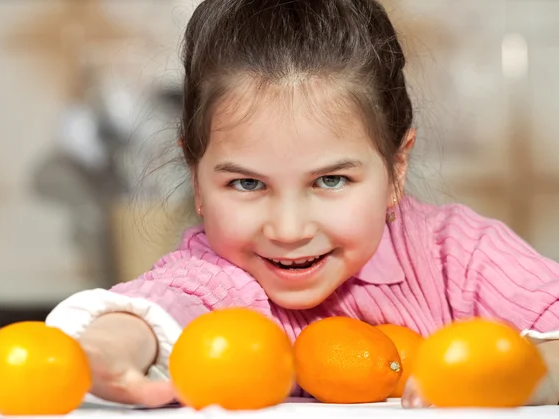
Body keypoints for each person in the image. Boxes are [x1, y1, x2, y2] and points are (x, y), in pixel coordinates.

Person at [46, 0, 559, 409]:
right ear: (197, 181)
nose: (289, 230)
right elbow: (157, 315)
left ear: (396, 170)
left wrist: (515, 375)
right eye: (247, 184)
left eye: (331, 180)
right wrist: (110, 347)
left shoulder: (459, 257)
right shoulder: (216, 277)